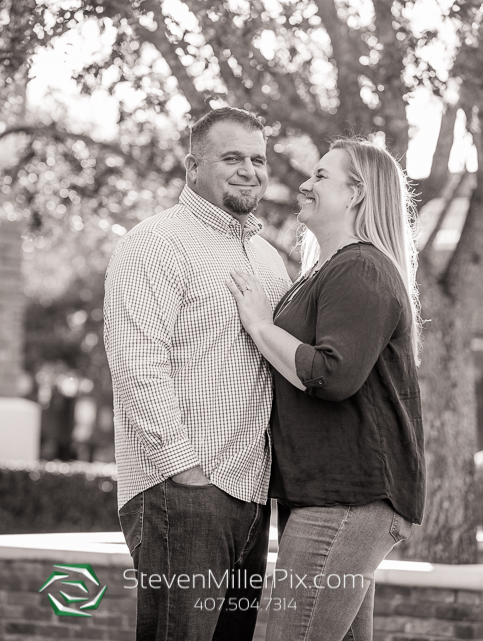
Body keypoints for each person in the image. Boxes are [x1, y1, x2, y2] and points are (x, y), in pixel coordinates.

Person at [227, 137, 426, 641]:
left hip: (347, 499)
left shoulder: (360, 267)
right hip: (327, 497)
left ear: (356, 194)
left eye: (320, 176)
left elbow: (331, 376)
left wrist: (258, 325)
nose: (304, 184)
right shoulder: (328, 271)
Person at [104, 107, 291, 641]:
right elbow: (138, 366)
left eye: (258, 159)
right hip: (184, 491)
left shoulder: (268, 258)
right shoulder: (155, 243)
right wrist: (186, 473)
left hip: (253, 493)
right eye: (232, 157)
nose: (249, 171)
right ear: (192, 165)